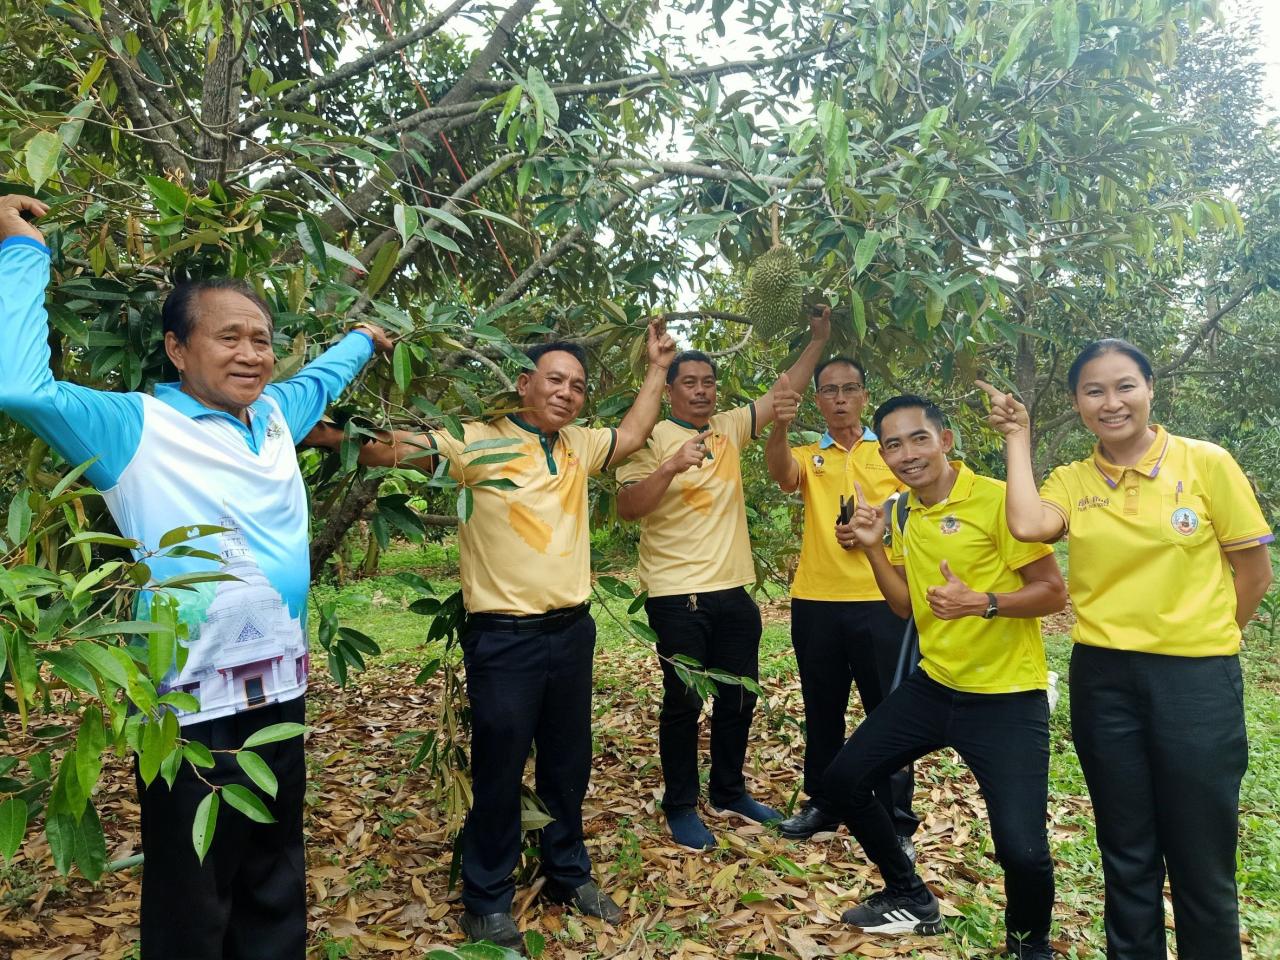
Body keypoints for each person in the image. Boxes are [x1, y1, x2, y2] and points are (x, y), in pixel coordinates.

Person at [0, 194, 393, 960]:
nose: (251, 354)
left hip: (280, 689)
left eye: (262, 340)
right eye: (229, 338)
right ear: (178, 351)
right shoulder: (135, 425)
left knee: (274, 875)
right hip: (185, 712)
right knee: (192, 896)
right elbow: (20, 389)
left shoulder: (275, 414)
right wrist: (23, 251)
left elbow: (323, 376)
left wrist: (364, 340)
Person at [315, 324, 676, 950]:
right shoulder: (474, 442)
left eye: (579, 387)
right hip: (503, 638)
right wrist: (313, 427)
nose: (567, 393)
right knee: (500, 768)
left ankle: (567, 873)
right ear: (524, 384)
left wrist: (656, 366)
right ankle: (487, 897)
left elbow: (637, 432)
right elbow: (389, 448)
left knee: (569, 763)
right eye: (555, 380)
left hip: (572, 632)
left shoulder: (578, 448)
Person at [978, 340, 1273, 960]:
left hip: (1197, 682)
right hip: (1103, 680)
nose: (1111, 403)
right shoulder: (1072, 479)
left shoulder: (1206, 463)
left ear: (1150, 389)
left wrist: (1212, 636)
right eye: (1094, 391)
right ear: (1078, 403)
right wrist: (1017, 436)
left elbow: (1253, 572)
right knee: (1127, 851)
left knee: (1202, 857)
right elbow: (1030, 527)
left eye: (1124, 386)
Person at [827, 395, 1066, 960]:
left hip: (1008, 698)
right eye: (892, 444)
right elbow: (906, 607)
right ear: (881, 452)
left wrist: (983, 602)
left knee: (1023, 850)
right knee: (841, 783)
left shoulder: (997, 501)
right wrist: (873, 551)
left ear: (946, 440)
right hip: (935, 687)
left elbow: (1053, 593)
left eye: (918, 439)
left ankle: (1028, 946)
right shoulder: (905, 511)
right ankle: (909, 895)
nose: (906, 454)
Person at [614, 308, 831, 851]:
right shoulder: (648, 437)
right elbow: (627, 508)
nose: (702, 391)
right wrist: (669, 467)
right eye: (689, 383)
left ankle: (730, 790)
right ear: (669, 391)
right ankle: (682, 804)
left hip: (733, 591)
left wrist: (818, 340)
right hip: (676, 594)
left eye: (709, 383)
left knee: (738, 698)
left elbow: (785, 391)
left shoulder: (729, 428)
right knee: (684, 702)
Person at [763, 357, 918, 854]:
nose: (840, 399)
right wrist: (779, 426)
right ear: (819, 400)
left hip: (882, 597)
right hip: (817, 600)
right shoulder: (811, 455)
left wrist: (878, 531)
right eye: (829, 391)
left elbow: (918, 507)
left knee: (890, 712)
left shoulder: (891, 452)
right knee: (822, 709)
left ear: (864, 396)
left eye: (849, 388)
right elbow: (782, 473)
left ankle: (896, 819)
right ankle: (824, 803)